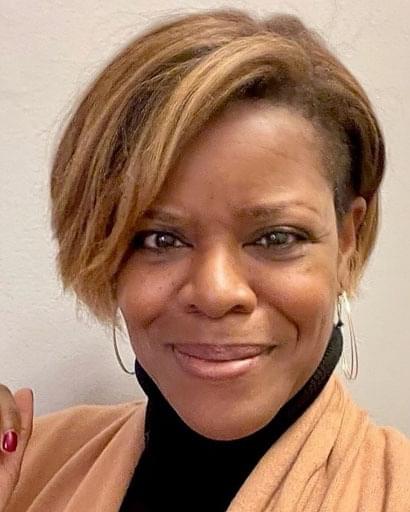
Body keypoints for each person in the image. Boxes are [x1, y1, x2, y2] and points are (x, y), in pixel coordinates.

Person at [1, 7, 409, 512]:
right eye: (159, 239)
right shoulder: (29, 471)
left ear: (348, 243)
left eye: (276, 237)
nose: (216, 293)